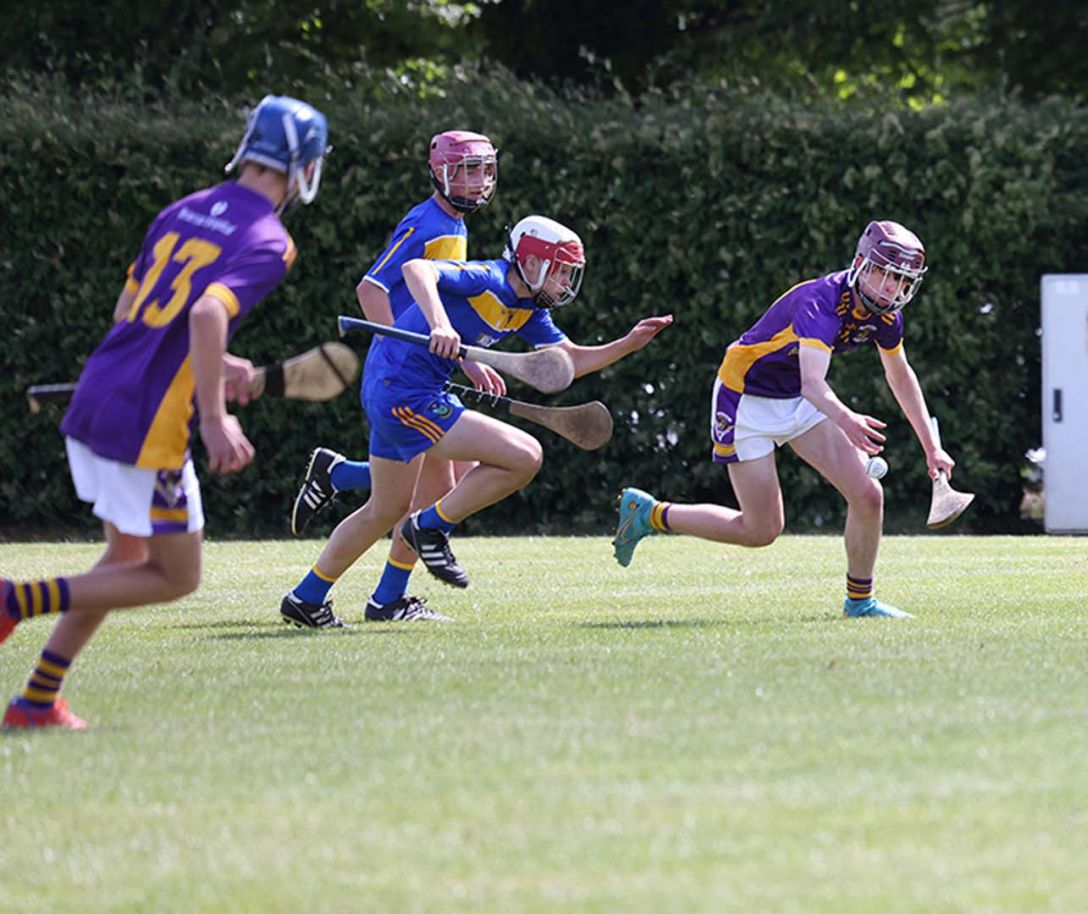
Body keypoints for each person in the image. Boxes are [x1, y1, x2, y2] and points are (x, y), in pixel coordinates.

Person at [0, 96, 330, 729]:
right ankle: (16, 599)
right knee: (176, 577)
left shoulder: (181, 211)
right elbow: (206, 313)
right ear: (303, 167)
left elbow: (133, 312)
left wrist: (216, 364)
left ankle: (37, 700)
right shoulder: (269, 239)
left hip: (102, 386)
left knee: (125, 561)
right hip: (150, 422)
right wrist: (212, 415)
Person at [280, 215, 673, 628]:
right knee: (524, 455)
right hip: (405, 392)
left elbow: (567, 363)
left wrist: (628, 344)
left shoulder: (527, 309)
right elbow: (417, 269)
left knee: (385, 508)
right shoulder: (489, 277)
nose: (564, 284)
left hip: (407, 386)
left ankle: (307, 599)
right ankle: (427, 528)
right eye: (559, 272)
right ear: (533, 262)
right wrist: (439, 323)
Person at [610, 220, 955, 619]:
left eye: (901, 279)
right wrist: (846, 421)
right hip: (746, 399)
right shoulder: (821, 302)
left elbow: (900, 375)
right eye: (885, 273)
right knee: (761, 530)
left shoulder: (886, 316)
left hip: (796, 396)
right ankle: (650, 514)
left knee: (868, 495)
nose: (892, 288)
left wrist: (932, 447)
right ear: (861, 263)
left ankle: (860, 602)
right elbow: (813, 382)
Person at [289, 130, 501, 622]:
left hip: (428, 375)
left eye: (483, 170)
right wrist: (398, 352)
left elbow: (440, 309)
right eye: (466, 170)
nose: (477, 181)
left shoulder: (455, 225)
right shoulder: (426, 222)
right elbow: (371, 288)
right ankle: (383, 596)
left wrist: (463, 358)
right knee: (426, 496)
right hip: (409, 381)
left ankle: (341, 484)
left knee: (428, 495)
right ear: (441, 173)